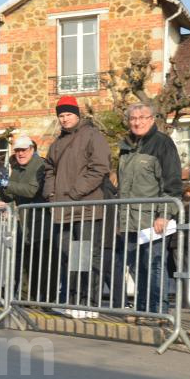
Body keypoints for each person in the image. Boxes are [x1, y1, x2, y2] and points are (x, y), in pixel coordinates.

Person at [112, 103, 183, 322]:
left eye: (142, 117)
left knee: (153, 264)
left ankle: (158, 310)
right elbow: (122, 184)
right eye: (133, 117)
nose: (137, 121)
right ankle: (141, 309)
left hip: (152, 217)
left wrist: (164, 214)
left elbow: (172, 182)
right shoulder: (126, 145)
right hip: (129, 217)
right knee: (136, 265)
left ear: (152, 119)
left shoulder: (162, 143)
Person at [43, 96, 110, 316]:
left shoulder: (92, 135)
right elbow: (49, 170)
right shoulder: (56, 143)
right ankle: (71, 301)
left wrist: (74, 192)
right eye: (61, 115)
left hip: (86, 207)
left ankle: (88, 303)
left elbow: (100, 168)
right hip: (62, 208)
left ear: (77, 115)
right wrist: (51, 194)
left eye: (68, 114)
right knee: (67, 256)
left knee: (86, 256)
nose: (64, 119)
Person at [0, 135, 50, 300]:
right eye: (17, 151)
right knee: (25, 262)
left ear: (32, 149)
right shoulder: (17, 168)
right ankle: (24, 297)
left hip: (41, 222)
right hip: (25, 223)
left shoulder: (40, 165)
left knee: (40, 264)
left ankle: (41, 300)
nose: (20, 154)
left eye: (23, 150)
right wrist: (2, 184)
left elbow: (31, 191)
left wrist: (8, 184)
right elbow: (9, 197)